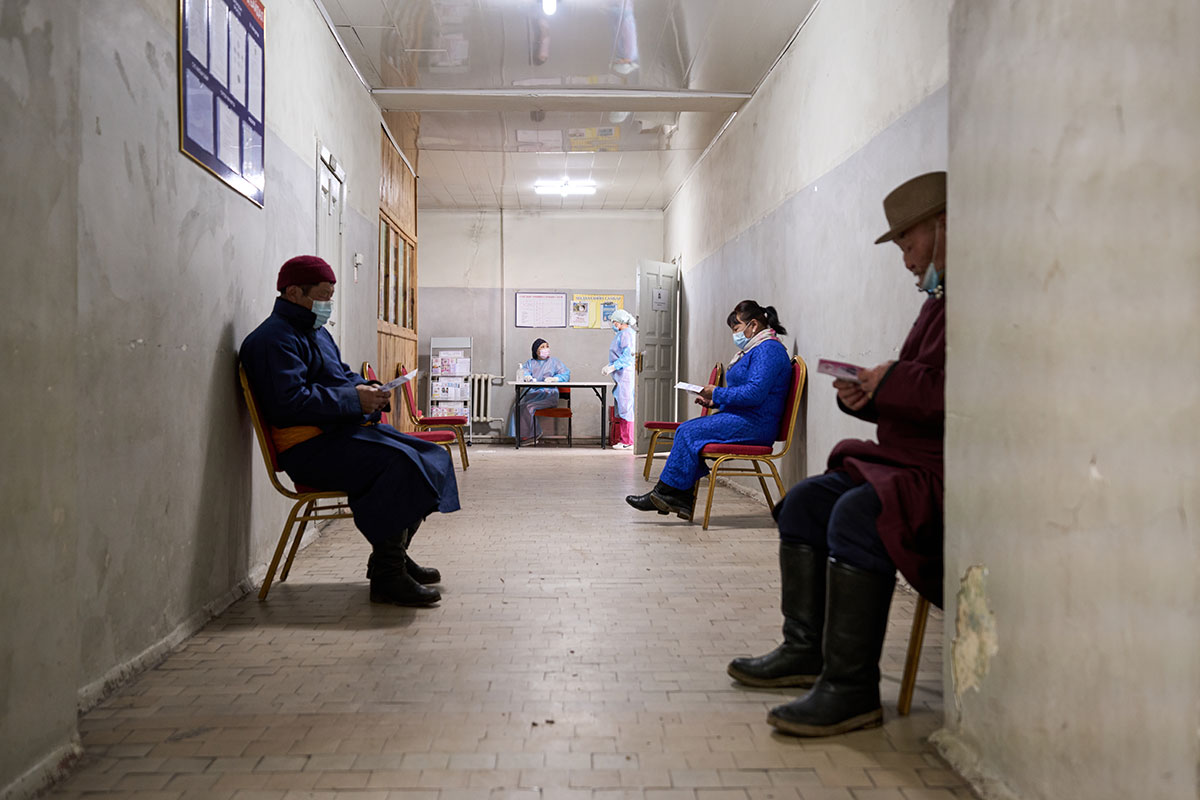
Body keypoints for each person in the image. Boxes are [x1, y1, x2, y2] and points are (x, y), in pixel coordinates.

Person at [726, 172, 947, 737]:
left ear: (944, 229)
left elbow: (960, 394)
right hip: (904, 460)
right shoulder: (937, 304)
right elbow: (918, 393)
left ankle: (852, 689)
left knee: (855, 515)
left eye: (908, 242)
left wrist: (889, 381)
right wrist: (868, 397)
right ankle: (805, 651)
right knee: (803, 504)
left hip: (943, 472)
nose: (905, 259)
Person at [239, 255, 460, 608]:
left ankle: (393, 556)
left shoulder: (317, 332)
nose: (327, 305)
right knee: (398, 465)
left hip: (337, 435)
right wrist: (354, 401)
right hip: (309, 449)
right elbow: (290, 403)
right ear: (294, 292)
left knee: (431, 456)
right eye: (323, 296)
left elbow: (342, 377)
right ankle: (388, 576)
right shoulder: (270, 340)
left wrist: (370, 389)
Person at [625, 301, 792, 519]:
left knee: (688, 432)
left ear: (753, 325)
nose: (735, 335)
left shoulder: (768, 350)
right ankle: (678, 497)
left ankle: (667, 494)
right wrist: (716, 402)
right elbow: (750, 393)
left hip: (756, 425)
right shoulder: (758, 349)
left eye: (736, 328)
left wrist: (717, 393)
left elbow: (754, 394)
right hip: (746, 417)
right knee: (688, 430)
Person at [507, 337, 571, 443]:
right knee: (517, 407)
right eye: (542, 347)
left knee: (528, 407)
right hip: (533, 394)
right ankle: (522, 436)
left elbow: (565, 373)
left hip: (548, 394)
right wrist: (527, 377)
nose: (546, 349)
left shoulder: (554, 362)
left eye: (547, 346)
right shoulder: (530, 363)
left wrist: (555, 379)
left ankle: (533, 434)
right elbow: (525, 372)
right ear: (536, 351)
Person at [602, 308, 637, 449]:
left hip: (625, 374)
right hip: (621, 375)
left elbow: (627, 356)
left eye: (614, 322)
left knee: (626, 407)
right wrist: (613, 366)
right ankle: (624, 440)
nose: (613, 325)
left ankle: (628, 441)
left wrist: (613, 366)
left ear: (620, 322)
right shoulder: (623, 334)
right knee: (623, 407)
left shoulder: (627, 334)